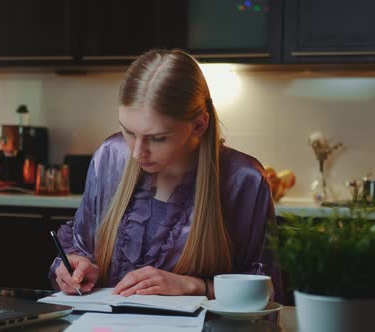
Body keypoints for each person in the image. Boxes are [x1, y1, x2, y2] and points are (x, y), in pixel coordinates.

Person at [49, 49, 281, 301]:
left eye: (157, 138)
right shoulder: (110, 156)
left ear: (199, 126)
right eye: (128, 131)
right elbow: (81, 248)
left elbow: (266, 291)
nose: (138, 152)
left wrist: (191, 286)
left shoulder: (244, 180)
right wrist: (75, 266)